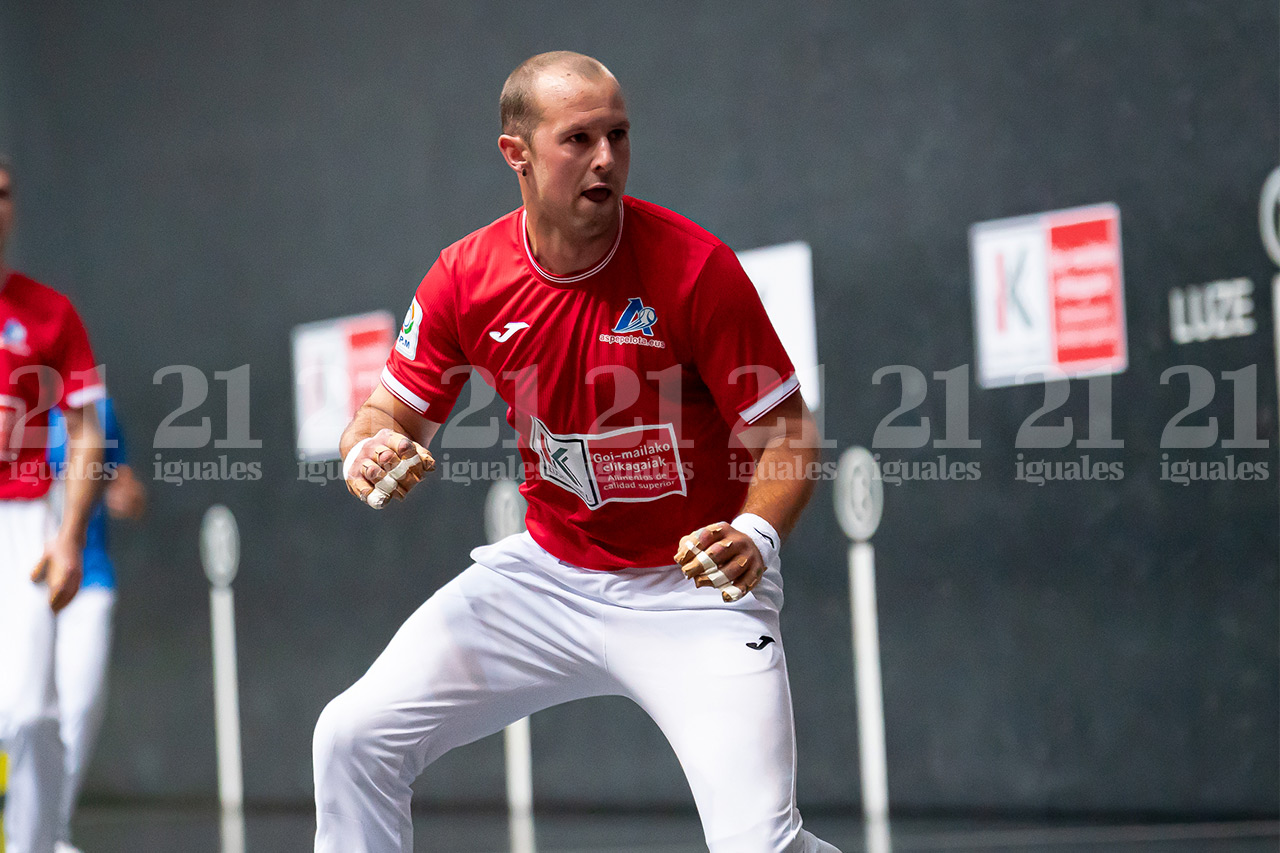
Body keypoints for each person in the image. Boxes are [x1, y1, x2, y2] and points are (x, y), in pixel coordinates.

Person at [314, 52, 839, 853]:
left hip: (692, 594)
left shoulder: (695, 269)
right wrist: (367, 450)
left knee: (759, 846)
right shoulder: (466, 277)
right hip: (549, 580)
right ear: (515, 153)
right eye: (580, 138)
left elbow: (789, 433)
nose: (606, 159)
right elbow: (390, 413)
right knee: (352, 735)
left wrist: (757, 536)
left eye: (619, 135)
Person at [0, 155, 106, 853]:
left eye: (4, 190)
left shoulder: (50, 312)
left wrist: (69, 536)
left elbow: (87, 431)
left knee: (27, 712)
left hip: (24, 524)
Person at [46, 399, 146, 853]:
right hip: (19, 583)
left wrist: (126, 495)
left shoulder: (99, 411)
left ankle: (50, 827)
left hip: (88, 579)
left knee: (81, 704)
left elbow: (121, 482)